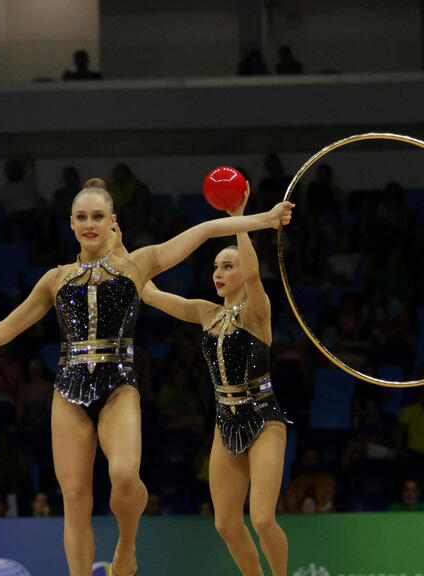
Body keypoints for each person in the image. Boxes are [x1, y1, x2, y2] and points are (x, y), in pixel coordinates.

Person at [0, 179, 293, 576]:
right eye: (82, 217)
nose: (89, 223)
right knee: (75, 498)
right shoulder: (54, 278)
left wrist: (259, 219)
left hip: (119, 386)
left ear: (113, 222)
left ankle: (126, 548)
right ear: (71, 224)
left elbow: (200, 232)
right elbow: (6, 328)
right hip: (68, 390)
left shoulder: (135, 264)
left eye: (98, 216)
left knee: (125, 477)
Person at [140, 197, 291, 575]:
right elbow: (151, 293)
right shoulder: (207, 313)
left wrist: (239, 220)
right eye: (215, 268)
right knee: (225, 523)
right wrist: (121, 252)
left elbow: (255, 276)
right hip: (225, 423)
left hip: (263, 418)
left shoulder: (258, 312)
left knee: (261, 519)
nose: (218, 273)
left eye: (228, 266)